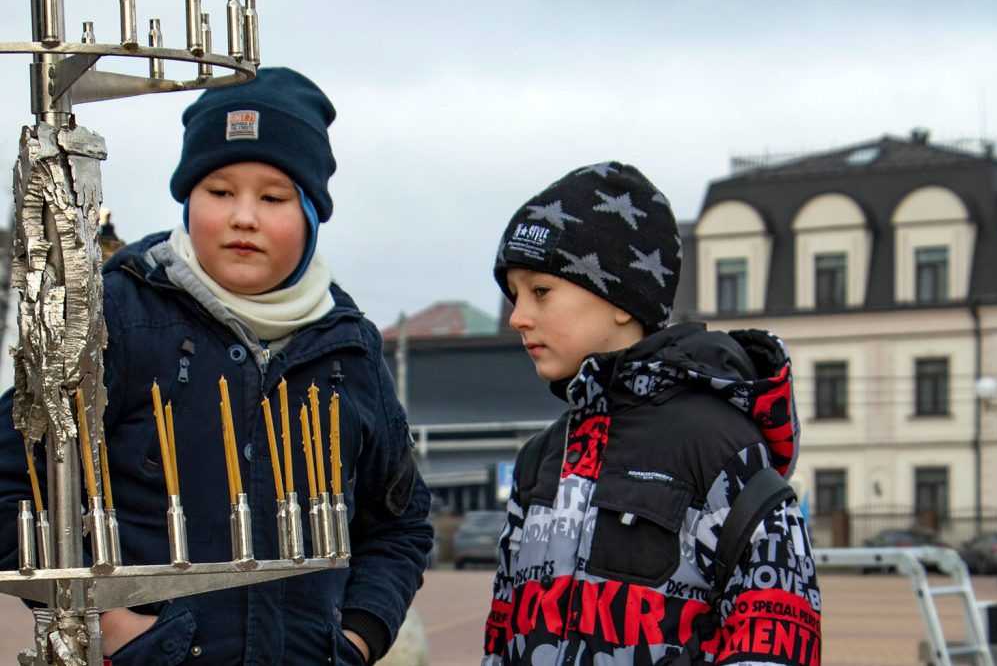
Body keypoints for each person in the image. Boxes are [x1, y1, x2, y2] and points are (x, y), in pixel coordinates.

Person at [0, 67, 433, 665]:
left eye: (274, 197)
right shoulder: (112, 322)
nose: (244, 217)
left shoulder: (350, 349)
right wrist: (113, 623)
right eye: (220, 191)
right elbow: (15, 486)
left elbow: (400, 524)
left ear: (312, 211)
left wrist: (357, 637)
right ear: (187, 198)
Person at [482, 162, 820, 665]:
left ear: (620, 300)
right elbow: (501, 638)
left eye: (541, 292)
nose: (517, 317)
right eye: (514, 295)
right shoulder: (540, 460)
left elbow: (776, 637)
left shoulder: (718, 448)